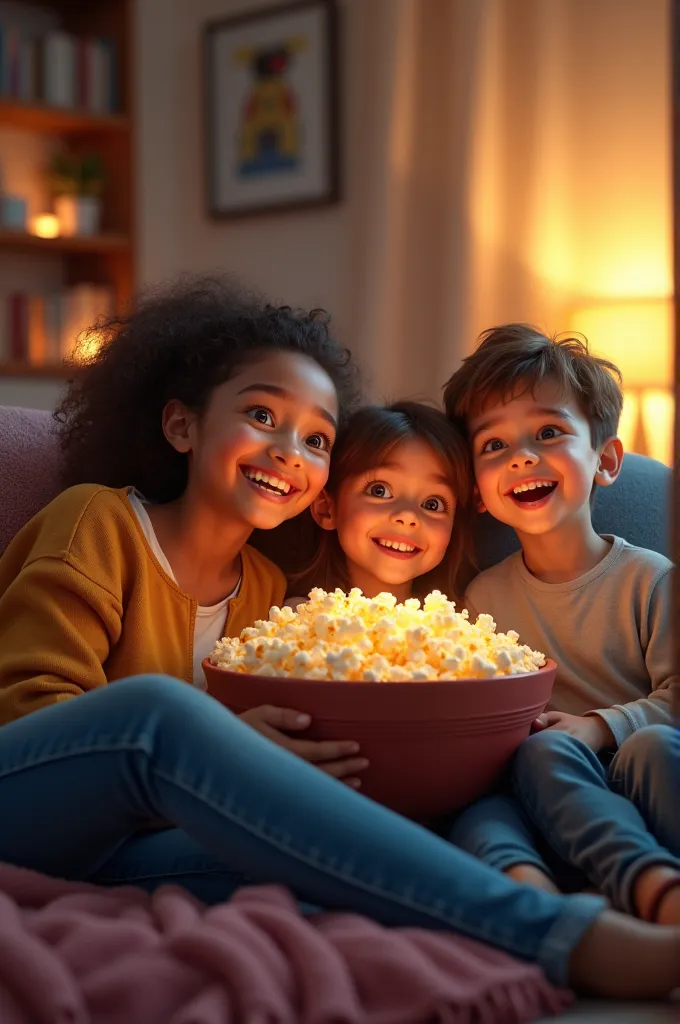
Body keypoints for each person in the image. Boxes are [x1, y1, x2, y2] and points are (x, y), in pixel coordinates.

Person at [0, 288, 678, 1000]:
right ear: (181, 424)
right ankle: (571, 940)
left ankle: (518, 923)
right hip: (34, 802)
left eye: (316, 438)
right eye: (261, 415)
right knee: (155, 716)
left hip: (129, 849)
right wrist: (229, 744)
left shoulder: (267, 595)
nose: (287, 450)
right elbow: (35, 718)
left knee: (328, 854)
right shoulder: (98, 524)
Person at [443, 324, 680, 928]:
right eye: (494, 445)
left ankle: (659, 897)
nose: (523, 455)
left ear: (604, 460)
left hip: (636, 772)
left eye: (549, 432)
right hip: (548, 794)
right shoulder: (482, 597)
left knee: (655, 746)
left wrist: (600, 728)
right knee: (499, 794)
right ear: (477, 491)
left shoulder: (652, 579)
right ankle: (551, 912)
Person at [288, 401, 473, 612]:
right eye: (380, 491)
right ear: (326, 508)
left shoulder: (463, 632)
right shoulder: (298, 623)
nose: (408, 515)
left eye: (432, 504)